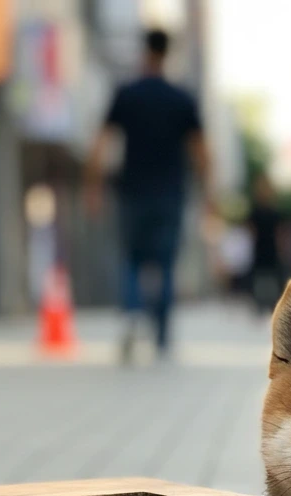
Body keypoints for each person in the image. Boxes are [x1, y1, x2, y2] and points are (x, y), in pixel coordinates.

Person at [85, 29, 210, 361]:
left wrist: (94, 187)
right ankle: (163, 338)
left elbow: (101, 142)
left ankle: (131, 317)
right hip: (170, 194)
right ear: (167, 53)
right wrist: (209, 195)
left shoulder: (127, 94)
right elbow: (201, 152)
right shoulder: (182, 98)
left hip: (132, 193)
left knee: (131, 260)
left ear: (144, 52)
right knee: (166, 264)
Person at [247, 173, 284, 313]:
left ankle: (271, 305)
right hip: (259, 249)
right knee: (260, 278)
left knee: (271, 278)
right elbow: (251, 231)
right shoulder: (255, 211)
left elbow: (279, 233)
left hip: (271, 249)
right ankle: (260, 304)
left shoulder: (275, 211)